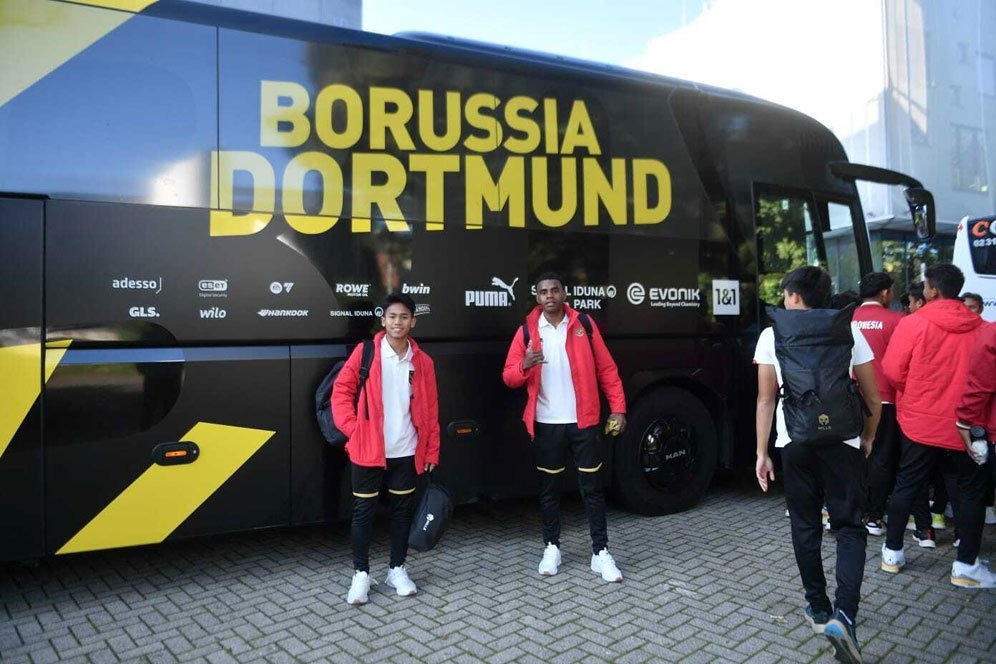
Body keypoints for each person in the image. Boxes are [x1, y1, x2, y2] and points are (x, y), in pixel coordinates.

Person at [755, 266, 882, 664]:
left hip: (795, 441)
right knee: (849, 527)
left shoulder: (771, 334)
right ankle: (846, 614)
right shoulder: (849, 329)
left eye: (785, 293)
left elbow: (765, 399)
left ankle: (818, 608)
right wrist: (868, 437)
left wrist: (761, 453)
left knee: (804, 523)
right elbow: (873, 397)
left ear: (794, 295)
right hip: (842, 441)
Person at [502, 272, 627, 582]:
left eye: (555, 290)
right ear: (537, 297)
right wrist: (524, 365)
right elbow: (508, 376)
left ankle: (600, 553)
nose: (549, 296)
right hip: (546, 424)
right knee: (549, 492)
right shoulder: (527, 331)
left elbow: (607, 369)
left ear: (564, 293)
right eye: (543, 292)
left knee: (593, 491)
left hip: (584, 422)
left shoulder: (583, 324)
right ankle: (552, 547)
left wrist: (619, 409)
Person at [881, 264, 994, 589]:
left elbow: (892, 371)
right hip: (967, 427)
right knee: (970, 492)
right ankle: (966, 566)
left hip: (920, 423)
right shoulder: (983, 328)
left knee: (907, 483)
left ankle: (892, 554)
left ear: (931, 290)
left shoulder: (913, 324)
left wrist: (914, 392)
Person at [332, 292, 441, 604]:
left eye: (404, 317)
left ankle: (397, 568)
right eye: (392, 317)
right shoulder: (367, 352)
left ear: (413, 322)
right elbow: (341, 391)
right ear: (383, 320)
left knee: (401, 512)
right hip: (368, 449)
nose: (398, 322)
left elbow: (431, 409)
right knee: (363, 512)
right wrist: (354, 430)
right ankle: (361, 575)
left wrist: (432, 449)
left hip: (407, 450)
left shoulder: (422, 361)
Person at [851, 273, 912, 538]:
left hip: (851, 397)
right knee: (882, 458)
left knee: (852, 455)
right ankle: (874, 517)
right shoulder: (898, 320)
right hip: (886, 399)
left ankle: (850, 511)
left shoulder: (846, 318)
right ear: (885, 293)